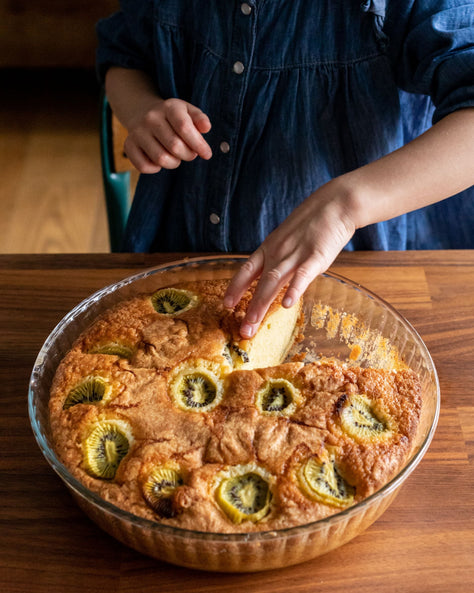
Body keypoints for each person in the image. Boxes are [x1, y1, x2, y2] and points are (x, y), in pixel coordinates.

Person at [96, 1, 474, 339]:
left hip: (352, 279)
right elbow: (124, 52)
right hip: (177, 256)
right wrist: (141, 110)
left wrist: (346, 205)